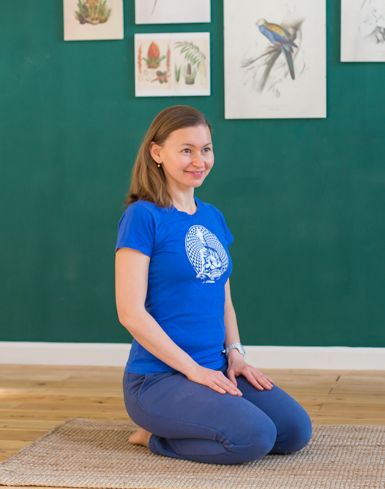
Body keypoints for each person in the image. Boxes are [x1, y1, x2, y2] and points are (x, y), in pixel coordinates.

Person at [115, 106, 312, 464]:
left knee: (294, 431)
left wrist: (235, 354)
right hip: (158, 379)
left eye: (205, 149)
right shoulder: (142, 216)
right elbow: (130, 313)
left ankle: (194, 421)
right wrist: (193, 370)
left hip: (216, 366)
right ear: (157, 153)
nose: (199, 160)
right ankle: (155, 437)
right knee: (254, 436)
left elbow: (223, 297)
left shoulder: (212, 216)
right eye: (186, 150)